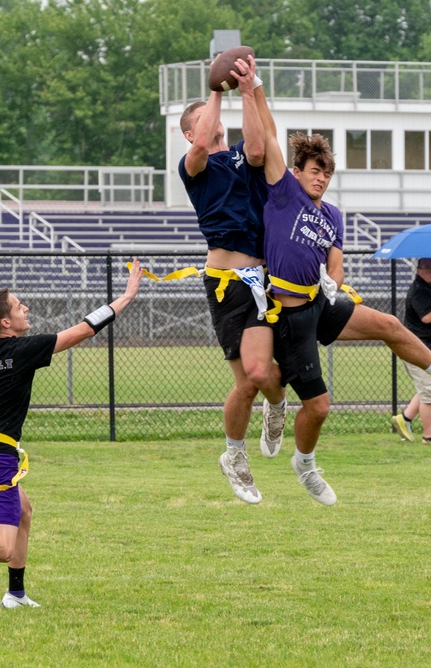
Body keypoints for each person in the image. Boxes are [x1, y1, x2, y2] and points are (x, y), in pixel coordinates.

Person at [250, 56, 431, 506]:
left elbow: (335, 263)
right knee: (317, 404)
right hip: (288, 313)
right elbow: (267, 133)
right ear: (298, 171)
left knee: (390, 326)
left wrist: (333, 284)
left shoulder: (333, 214)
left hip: (319, 303)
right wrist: (256, 86)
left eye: (326, 173)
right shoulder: (283, 191)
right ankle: (303, 463)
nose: (320, 178)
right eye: (314, 170)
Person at [0, 260, 144, 608]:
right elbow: (84, 329)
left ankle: (15, 594)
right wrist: (127, 296)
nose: (25, 307)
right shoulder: (22, 349)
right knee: (4, 546)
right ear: (7, 322)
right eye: (18, 305)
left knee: (24, 510)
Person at [177, 51, 287, 505]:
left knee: (264, 375)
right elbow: (203, 142)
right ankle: (234, 456)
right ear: (188, 132)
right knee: (247, 381)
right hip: (224, 281)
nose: (212, 122)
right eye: (202, 119)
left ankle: (278, 405)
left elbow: (261, 147)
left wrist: (248, 88)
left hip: (259, 278)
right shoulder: (193, 166)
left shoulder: (243, 155)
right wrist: (214, 89)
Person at [392, 258, 431, 444]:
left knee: (427, 387)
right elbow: (427, 317)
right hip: (421, 350)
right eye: (427, 269)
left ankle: (404, 419)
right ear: (418, 270)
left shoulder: (428, 289)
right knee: (430, 390)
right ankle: (429, 436)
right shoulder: (419, 291)